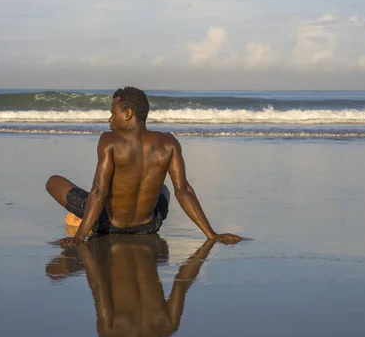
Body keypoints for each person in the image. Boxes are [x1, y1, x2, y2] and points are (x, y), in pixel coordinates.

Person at [46, 86, 242, 247]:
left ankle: (81, 223)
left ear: (128, 113)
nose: (109, 119)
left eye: (113, 113)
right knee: (164, 189)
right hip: (148, 227)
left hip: (107, 225)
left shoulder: (110, 140)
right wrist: (211, 234)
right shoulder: (169, 143)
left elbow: (99, 191)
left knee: (53, 181)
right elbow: (183, 191)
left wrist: (80, 237)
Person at [45, 234, 218, 337]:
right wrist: (82, 247)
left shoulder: (166, 327)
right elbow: (97, 286)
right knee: (53, 272)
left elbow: (181, 285)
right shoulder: (109, 331)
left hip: (155, 246)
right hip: (117, 236)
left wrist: (207, 247)